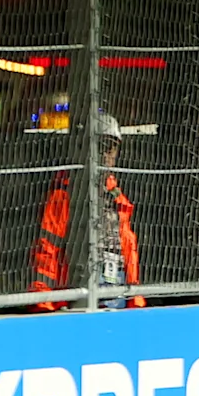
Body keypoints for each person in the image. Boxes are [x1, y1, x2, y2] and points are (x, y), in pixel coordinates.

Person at [31, 112, 143, 307]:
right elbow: (48, 245)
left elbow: (128, 247)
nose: (108, 154)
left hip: (115, 293)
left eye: (113, 147)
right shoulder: (66, 193)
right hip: (77, 295)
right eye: (103, 146)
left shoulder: (117, 197)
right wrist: (44, 299)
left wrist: (135, 295)